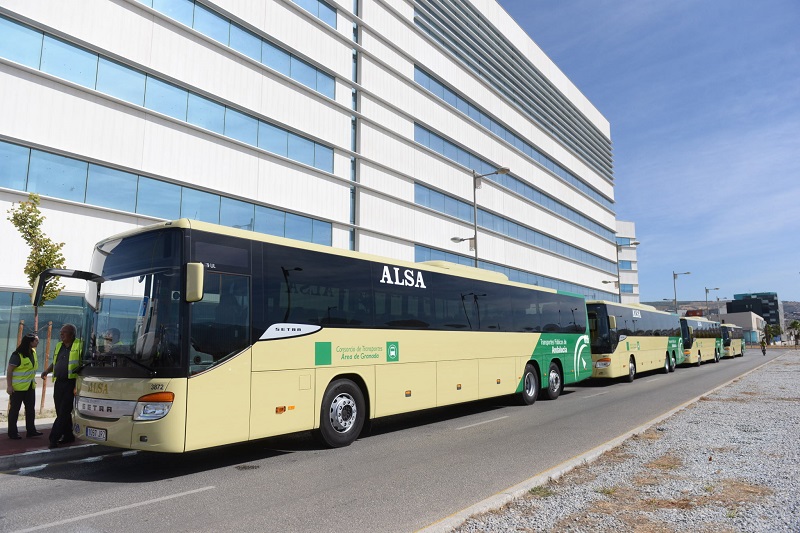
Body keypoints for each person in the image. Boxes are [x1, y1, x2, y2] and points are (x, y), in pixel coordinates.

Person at [41, 324, 82, 448]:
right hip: (59, 382)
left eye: (64, 333)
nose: (61, 335)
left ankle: (53, 438)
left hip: (71, 383)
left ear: (72, 334)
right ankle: (69, 436)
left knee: (64, 411)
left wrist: (78, 385)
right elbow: (56, 362)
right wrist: (47, 371)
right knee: (60, 410)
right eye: (61, 333)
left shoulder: (80, 345)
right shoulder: (59, 345)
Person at [5, 333, 44, 439]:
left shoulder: (33, 352)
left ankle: (31, 430)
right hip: (17, 388)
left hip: (30, 387)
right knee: (14, 411)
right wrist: (9, 386)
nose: (38, 342)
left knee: (30, 410)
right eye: (36, 340)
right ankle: (12, 433)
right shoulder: (17, 355)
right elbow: (9, 371)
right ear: (29, 342)